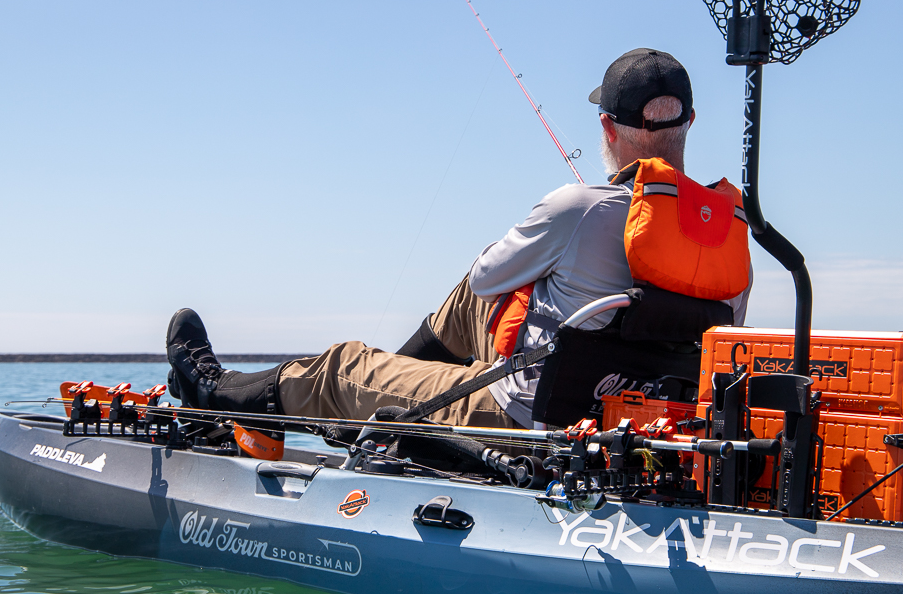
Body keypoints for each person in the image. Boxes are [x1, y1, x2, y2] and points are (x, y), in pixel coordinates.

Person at [166, 48, 752, 431]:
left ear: (606, 127)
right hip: (632, 414)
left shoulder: (577, 208)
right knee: (470, 306)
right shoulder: (733, 232)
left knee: (341, 366)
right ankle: (397, 418)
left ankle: (212, 395)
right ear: (690, 122)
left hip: (527, 415)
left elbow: (485, 274)